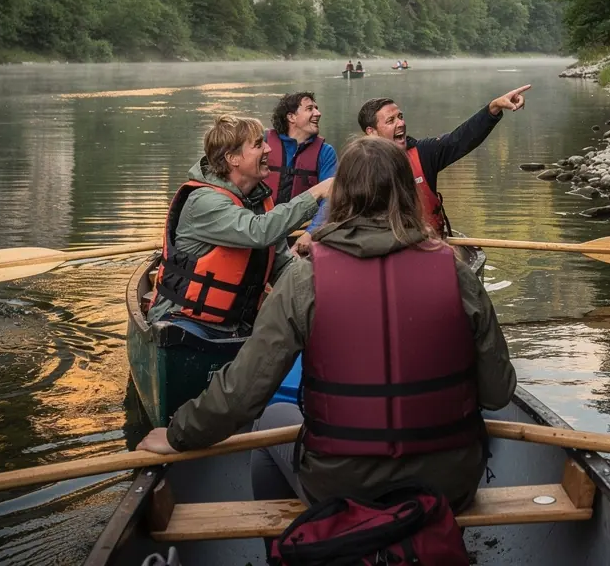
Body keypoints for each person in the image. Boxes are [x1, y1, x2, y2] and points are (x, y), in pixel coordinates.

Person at [138, 136, 516, 514]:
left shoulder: (305, 279)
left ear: (341, 195)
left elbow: (242, 393)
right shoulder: (456, 272)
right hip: (450, 485)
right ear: (406, 191)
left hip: (342, 487)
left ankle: (295, 547)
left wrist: (178, 434)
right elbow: (498, 393)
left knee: (271, 419)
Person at [148, 114, 333, 328]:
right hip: (183, 322)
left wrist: (326, 288)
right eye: (257, 144)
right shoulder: (205, 201)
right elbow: (259, 231)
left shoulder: (258, 201)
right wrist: (317, 192)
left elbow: (283, 267)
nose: (268, 149)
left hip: (237, 324)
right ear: (233, 158)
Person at [357, 85, 530, 237]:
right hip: (384, 252)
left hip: (429, 249)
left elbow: (460, 139)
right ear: (371, 132)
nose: (401, 123)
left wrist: (494, 108)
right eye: (391, 120)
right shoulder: (357, 167)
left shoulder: (424, 153)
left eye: (400, 116)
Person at [264, 93, 336, 235]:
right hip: (264, 228)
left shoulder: (325, 152)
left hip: (302, 233)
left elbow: (330, 199)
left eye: (317, 108)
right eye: (310, 109)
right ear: (291, 117)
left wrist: (311, 233)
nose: (318, 113)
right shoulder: (264, 143)